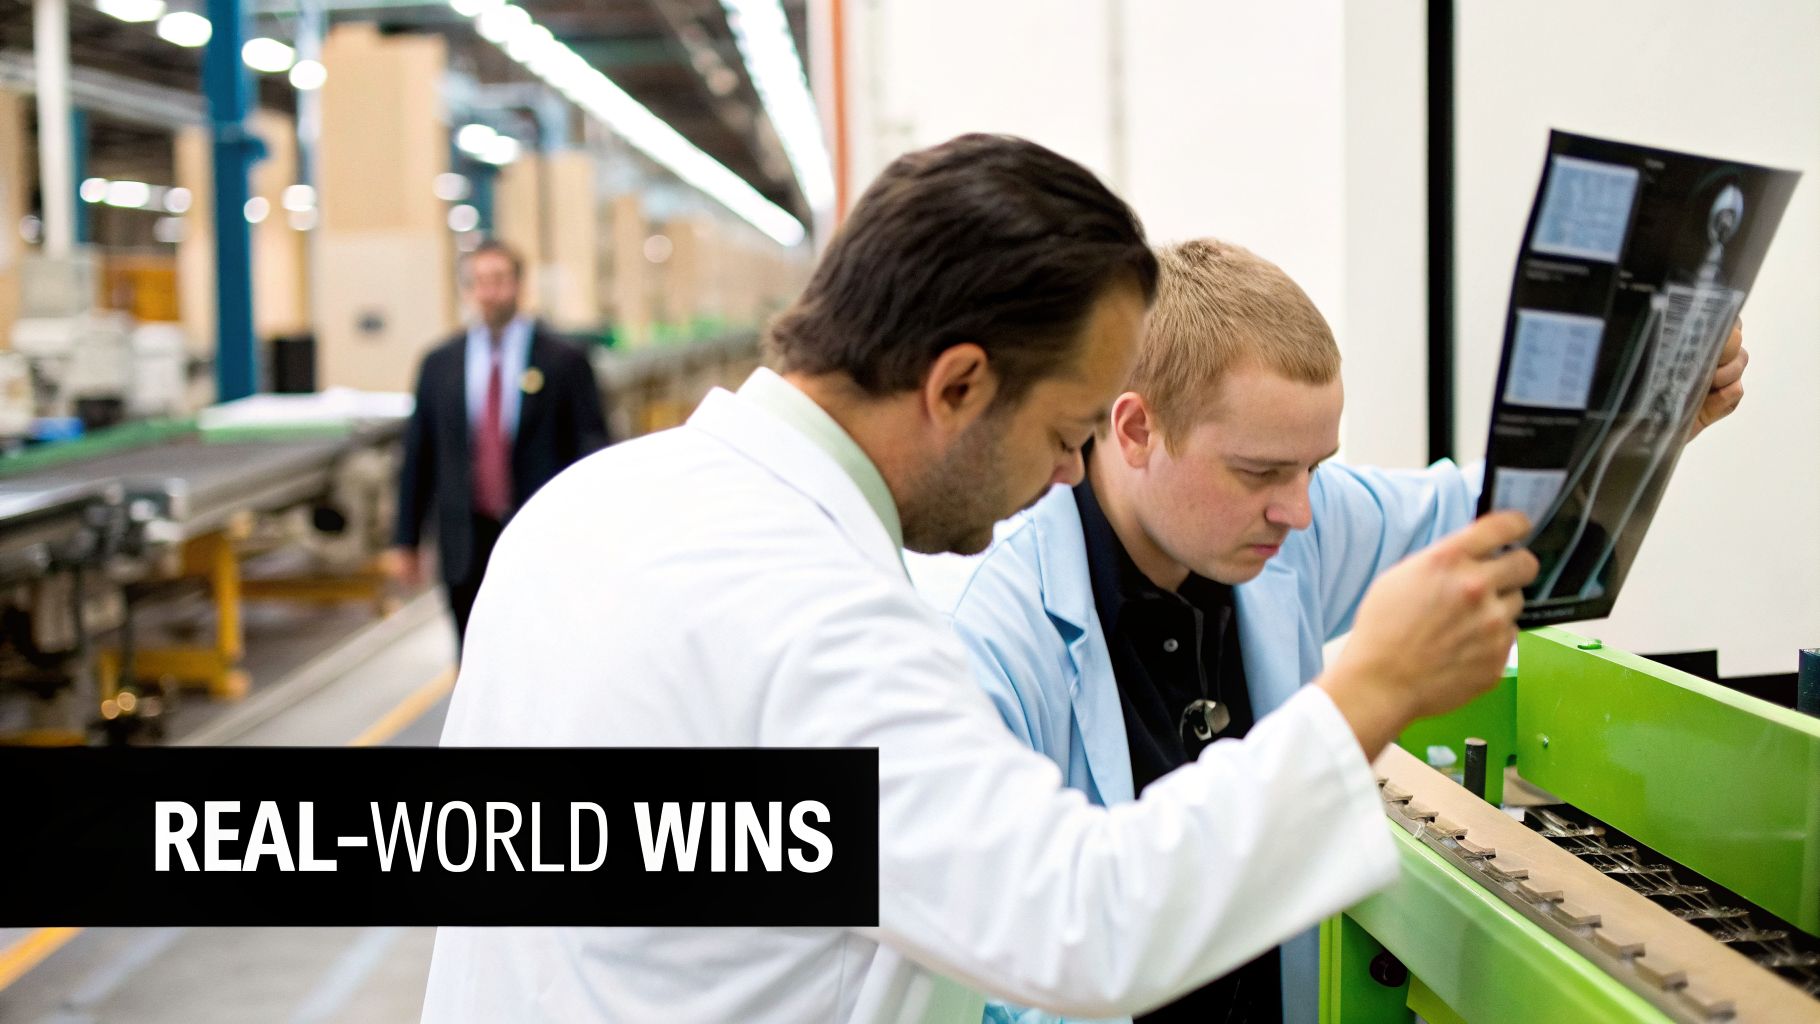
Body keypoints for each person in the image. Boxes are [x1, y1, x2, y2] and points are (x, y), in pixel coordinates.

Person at [420, 135, 1538, 1023]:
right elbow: (1081, 924)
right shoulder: (824, 616)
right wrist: (1371, 692)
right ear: (956, 385)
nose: (1068, 473)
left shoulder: (579, 508)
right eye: (1064, 431)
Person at [906, 238, 1749, 1024]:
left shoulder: (1277, 530)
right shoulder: (985, 634)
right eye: (1261, 471)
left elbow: (1487, 523)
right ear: (1135, 430)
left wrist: (1649, 423)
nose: (1299, 509)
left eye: (1315, 468)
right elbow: (1015, 948)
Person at [386, 239, 610, 650]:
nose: (490, 292)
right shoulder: (439, 364)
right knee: (471, 656)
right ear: (467, 290)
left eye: (500, 280)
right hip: (465, 540)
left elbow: (592, 447)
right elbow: (419, 454)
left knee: (542, 650)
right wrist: (406, 540)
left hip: (541, 534)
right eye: (480, 282)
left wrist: (596, 531)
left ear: (519, 285)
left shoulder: (565, 361)